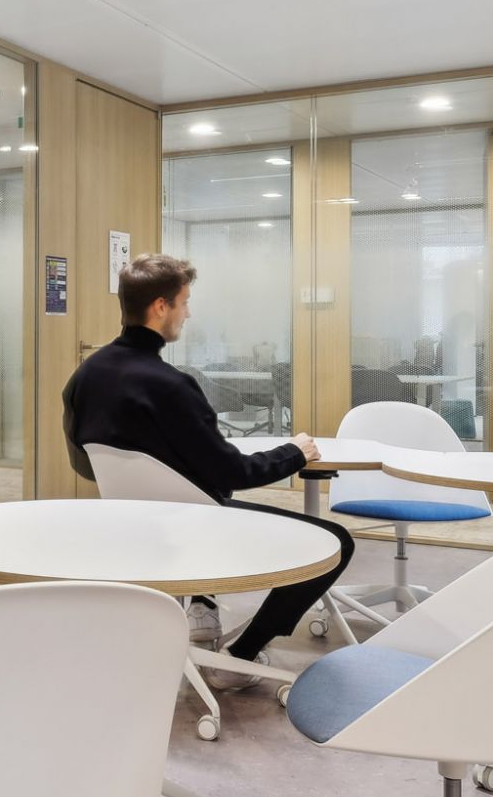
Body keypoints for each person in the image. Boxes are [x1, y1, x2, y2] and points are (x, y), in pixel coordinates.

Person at [62, 254, 354, 688]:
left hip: (129, 521)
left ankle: (202, 603)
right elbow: (234, 472)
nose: (188, 313)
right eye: (184, 302)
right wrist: (294, 452)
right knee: (333, 541)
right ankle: (240, 656)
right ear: (161, 307)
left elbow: (83, 460)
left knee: (207, 491)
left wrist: (151, 482)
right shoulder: (171, 385)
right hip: (193, 523)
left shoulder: (86, 375)